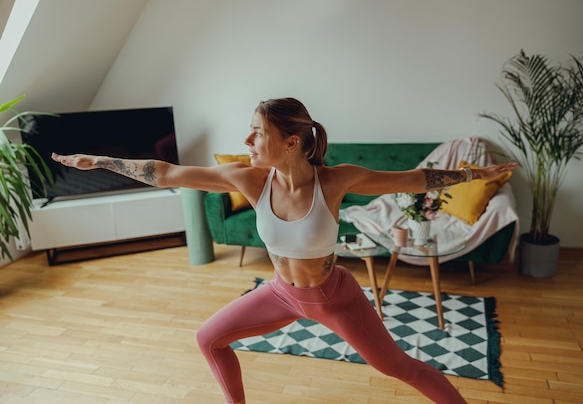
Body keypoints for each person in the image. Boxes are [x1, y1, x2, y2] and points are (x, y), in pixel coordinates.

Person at [52, 97, 517, 404]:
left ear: (291, 142)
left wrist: (474, 175)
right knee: (207, 338)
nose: (247, 142)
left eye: (257, 133)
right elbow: (167, 172)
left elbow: (416, 181)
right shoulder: (248, 179)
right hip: (279, 294)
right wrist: (100, 163)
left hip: (333, 298)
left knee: (401, 368)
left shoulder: (336, 181)